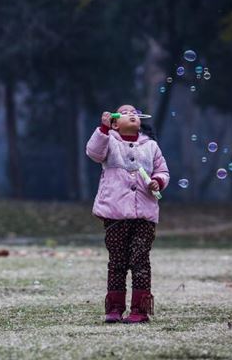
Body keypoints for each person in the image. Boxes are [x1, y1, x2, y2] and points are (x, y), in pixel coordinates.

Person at [85, 104, 170, 323]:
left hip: (144, 216)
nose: (131, 114)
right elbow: (93, 153)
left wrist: (157, 182)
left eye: (134, 112)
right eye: (124, 113)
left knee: (140, 260)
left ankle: (139, 311)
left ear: (140, 120)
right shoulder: (108, 141)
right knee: (117, 262)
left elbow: (163, 170)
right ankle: (114, 309)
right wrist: (103, 129)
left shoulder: (151, 146)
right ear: (114, 122)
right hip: (115, 215)